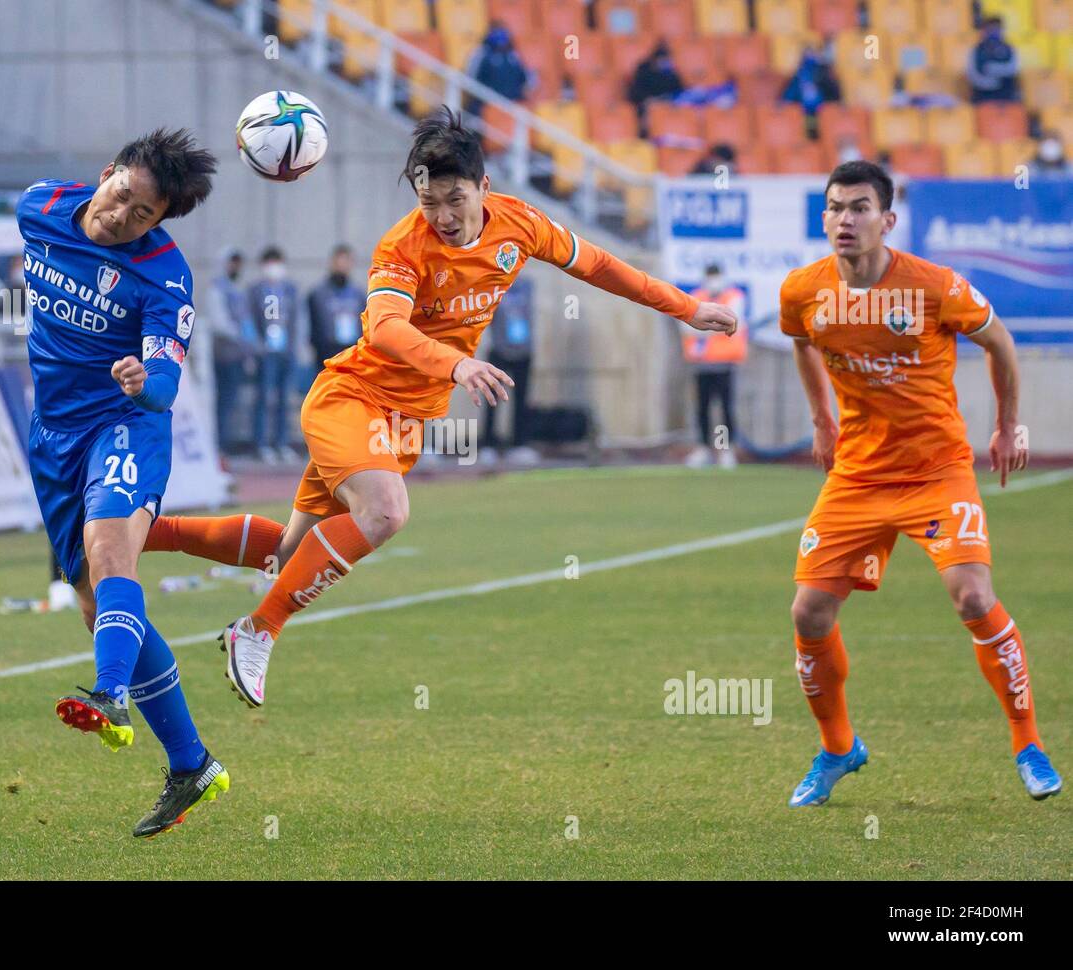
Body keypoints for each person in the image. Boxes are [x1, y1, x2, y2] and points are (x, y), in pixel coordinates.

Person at [143, 107, 737, 708]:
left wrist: (684, 307)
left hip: (405, 421)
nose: (444, 217)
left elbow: (600, 266)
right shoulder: (404, 246)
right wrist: (458, 364)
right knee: (384, 513)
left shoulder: (521, 224)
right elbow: (384, 329)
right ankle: (258, 629)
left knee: (287, 554)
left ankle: (136, 534)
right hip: (352, 400)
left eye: (456, 199)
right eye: (431, 203)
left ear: (485, 187)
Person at [778, 160, 1061, 806]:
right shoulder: (803, 290)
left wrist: (1009, 425)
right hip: (859, 474)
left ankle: (1028, 744)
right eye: (834, 208)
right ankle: (838, 749)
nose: (844, 220)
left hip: (936, 470)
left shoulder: (935, 287)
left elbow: (1001, 342)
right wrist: (823, 420)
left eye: (858, 208)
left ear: (887, 220)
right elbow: (801, 341)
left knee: (971, 595)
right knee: (808, 611)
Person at [16, 128, 230, 838]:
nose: (124, 217)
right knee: (92, 603)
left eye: (144, 215)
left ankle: (110, 696)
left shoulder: (163, 276)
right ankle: (192, 764)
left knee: (113, 557)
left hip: (124, 424)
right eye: (123, 197)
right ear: (106, 173)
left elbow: (166, 379)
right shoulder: (38, 208)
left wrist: (146, 383)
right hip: (51, 437)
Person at [683, 264, 746, 469]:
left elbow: (733, 323)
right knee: (702, 408)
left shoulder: (733, 297)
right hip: (701, 364)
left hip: (725, 362)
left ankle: (726, 450)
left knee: (725, 408)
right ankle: (703, 449)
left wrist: (701, 326)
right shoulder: (697, 297)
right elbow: (685, 325)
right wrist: (711, 326)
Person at [248, 246, 302, 464]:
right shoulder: (255, 290)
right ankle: (261, 443)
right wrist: (255, 348)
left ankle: (282, 442)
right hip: (265, 352)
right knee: (263, 397)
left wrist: (295, 347)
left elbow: (298, 319)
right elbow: (249, 319)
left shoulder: (290, 289)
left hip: (285, 351)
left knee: (283, 398)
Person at [205, 246, 259, 453]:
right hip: (225, 354)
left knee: (233, 399)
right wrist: (239, 334)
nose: (235, 267)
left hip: (239, 354)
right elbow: (219, 324)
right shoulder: (217, 288)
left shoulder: (237, 289)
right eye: (232, 262)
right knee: (225, 400)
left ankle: (228, 442)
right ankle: (221, 444)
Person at [482, 274, 536, 462]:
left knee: (521, 400)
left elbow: (528, 316)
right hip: (499, 350)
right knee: (491, 400)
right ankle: (488, 444)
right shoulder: (493, 286)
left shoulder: (527, 286)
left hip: (523, 350)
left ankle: (519, 443)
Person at [307, 244, 366, 367]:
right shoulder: (318, 294)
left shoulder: (358, 294)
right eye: (339, 262)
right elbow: (313, 326)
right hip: (327, 353)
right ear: (332, 263)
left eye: (346, 262)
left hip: (352, 352)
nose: (342, 266)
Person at [465, 23, 529, 119]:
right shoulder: (481, 53)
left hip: (512, 103)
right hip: (486, 104)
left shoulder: (513, 55)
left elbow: (524, 79)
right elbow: (470, 80)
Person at [626, 41, 683, 122]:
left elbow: (677, 89)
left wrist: (664, 99)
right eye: (662, 60)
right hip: (644, 103)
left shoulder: (672, 73)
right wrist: (648, 100)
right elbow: (636, 90)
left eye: (666, 60)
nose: (664, 63)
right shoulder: (643, 70)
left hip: (666, 103)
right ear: (655, 60)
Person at [968, 17, 1020, 104]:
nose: (993, 32)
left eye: (996, 29)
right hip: (983, 94)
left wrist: (990, 68)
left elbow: (1013, 69)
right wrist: (993, 82)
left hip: (1006, 93)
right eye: (990, 29)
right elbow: (973, 75)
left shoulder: (1009, 49)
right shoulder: (976, 50)